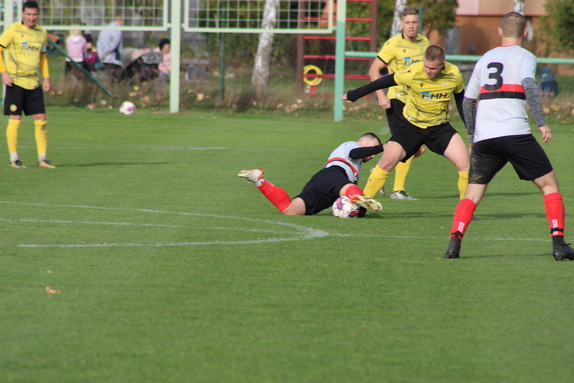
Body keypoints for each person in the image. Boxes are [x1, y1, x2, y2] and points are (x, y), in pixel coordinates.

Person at [444, 12, 574, 261]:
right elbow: (530, 86)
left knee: (472, 194)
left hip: (485, 138)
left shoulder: (484, 58)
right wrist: (542, 122)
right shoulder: (525, 56)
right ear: (525, 32)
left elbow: (469, 101)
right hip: (515, 134)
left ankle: (454, 243)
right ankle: (559, 244)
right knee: (549, 186)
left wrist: (473, 135)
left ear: (500, 31)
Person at [343, 45, 469, 202]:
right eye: (426, 66)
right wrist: (355, 94)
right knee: (386, 163)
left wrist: (471, 131)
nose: (428, 71)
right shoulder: (412, 72)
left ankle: (465, 212)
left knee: (466, 167)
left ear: (442, 65)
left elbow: (460, 101)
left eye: (433, 68)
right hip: (412, 126)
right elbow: (381, 83)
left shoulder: (454, 74)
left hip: (440, 128)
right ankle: (361, 205)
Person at [238, 133, 384, 216]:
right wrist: (381, 147)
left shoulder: (357, 162)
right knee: (350, 189)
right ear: (363, 141)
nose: (372, 155)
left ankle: (258, 181)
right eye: (372, 149)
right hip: (332, 175)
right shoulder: (352, 144)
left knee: (290, 209)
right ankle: (357, 198)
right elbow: (355, 153)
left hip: (325, 186)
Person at [368, 6, 429, 200]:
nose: (411, 26)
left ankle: (378, 172)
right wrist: (380, 95)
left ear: (418, 23)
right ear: (402, 24)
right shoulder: (393, 44)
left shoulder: (425, 43)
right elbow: (373, 70)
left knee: (418, 148)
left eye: (414, 22)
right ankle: (398, 190)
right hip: (397, 101)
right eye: (407, 23)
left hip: (417, 103)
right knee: (408, 144)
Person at [0, 0, 55, 168]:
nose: (32, 18)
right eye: (29, 14)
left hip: (33, 82)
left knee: (41, 119)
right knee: (15, 119)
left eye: (35, 14)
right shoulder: (13, 30)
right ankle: (14, 159)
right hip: (15, 81)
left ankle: (42, 159)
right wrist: (4, 72)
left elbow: (43, 57)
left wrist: (46, 77)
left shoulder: (42, 33)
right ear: (23, 14)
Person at [97, 16, 124, 82]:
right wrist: (105, 53)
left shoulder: (105, 29)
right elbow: (114, 44)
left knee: (106, 77)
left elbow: (99, 43)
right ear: (121, 21)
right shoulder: (117, 30)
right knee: (115, 79)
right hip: (113, 59)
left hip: (104, 58)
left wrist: (101, 54)